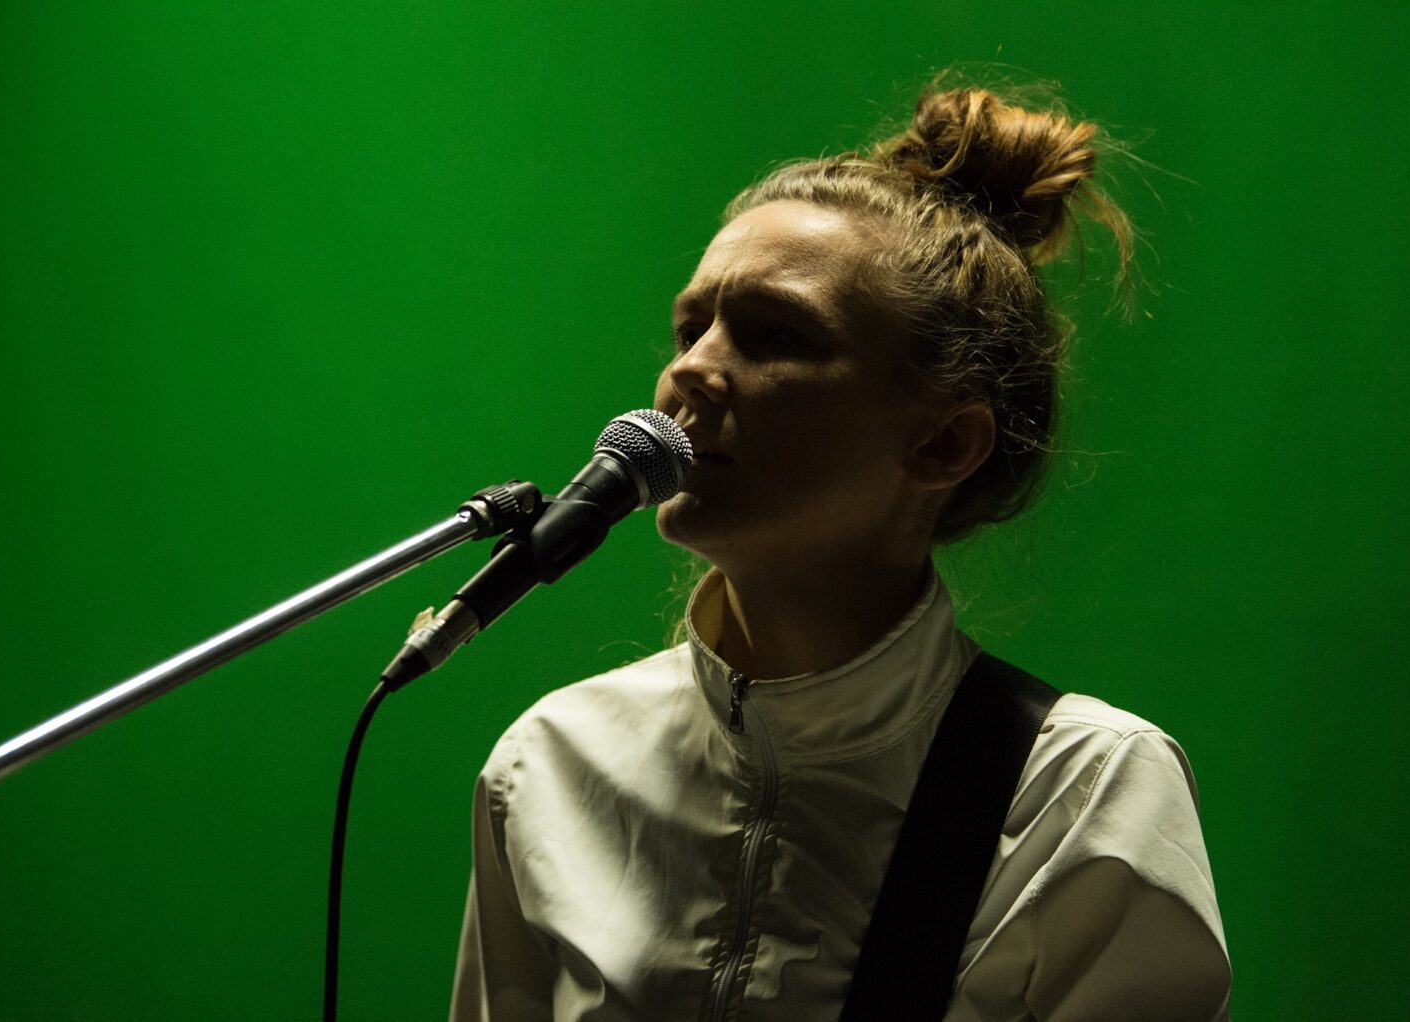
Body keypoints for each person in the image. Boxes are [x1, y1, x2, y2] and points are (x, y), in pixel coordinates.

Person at [449, 77, 1231, 1021]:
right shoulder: (549, 763)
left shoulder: (1080, 788)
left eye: (776, 336)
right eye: (690, 326)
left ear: (943, 443)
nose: (691, 369)